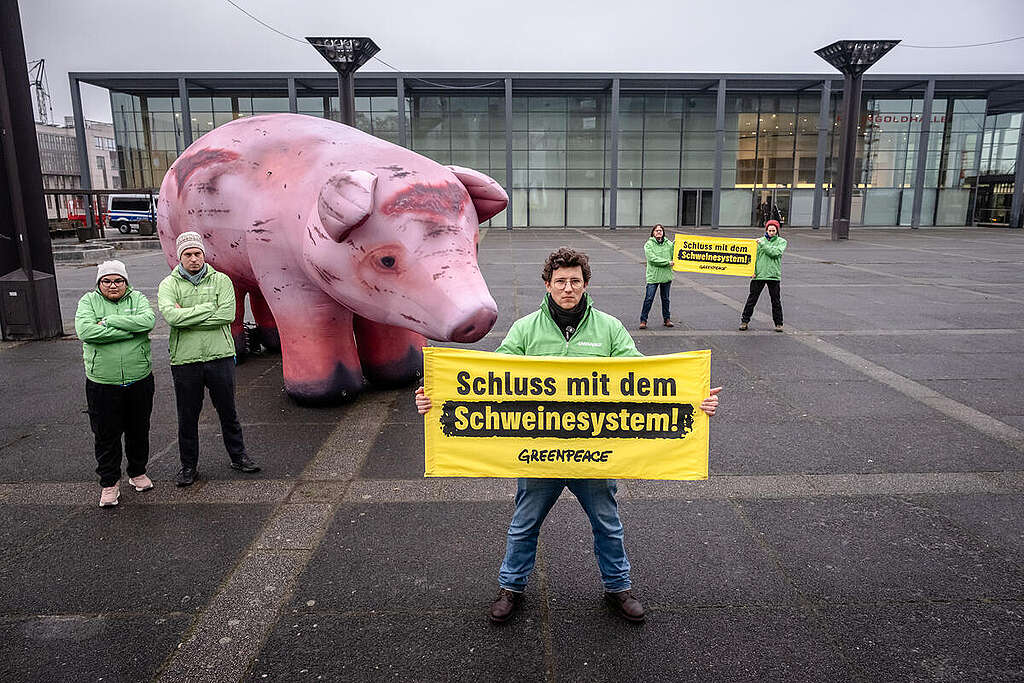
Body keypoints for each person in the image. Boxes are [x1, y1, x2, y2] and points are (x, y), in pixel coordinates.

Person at [415, 247, 721, 624]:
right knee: (523, 525)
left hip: (594, 454)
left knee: (608, 525)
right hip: (539, 454)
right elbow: (487, 380)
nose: (568, 288)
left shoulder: (609, 328)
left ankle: (618, 587)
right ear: (547, 284)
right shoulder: (526, 329)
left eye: (575, 281)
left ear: (586, 284)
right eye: (560, 281)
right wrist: (437, 399)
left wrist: (693, 400)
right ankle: (510, 587)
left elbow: (648, 382)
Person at [158, 231, 260, 487]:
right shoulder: (169, 285)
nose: (193, 259)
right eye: (188, 254)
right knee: (187, 417)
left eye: (197, 253)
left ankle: (239, 456)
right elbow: (172, 317)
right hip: (185, 360)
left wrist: (188, 316)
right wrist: (207, 309)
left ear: (203, 254)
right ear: (180, 257)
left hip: (220, 356)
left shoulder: (221, 280)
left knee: (228, 412)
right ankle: (188, 466)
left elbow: (227, 315)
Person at [74, 260, 156, 507]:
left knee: (138, 430)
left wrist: (109, 321)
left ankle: (137, 472)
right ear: (99, 283)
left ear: (126, 282)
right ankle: (109, 483)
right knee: (106, 434)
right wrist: (130, 330)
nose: (113, 285)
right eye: (107, 281)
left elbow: (148, 322)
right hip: (102, 382)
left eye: (118, 280)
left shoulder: (138, 298)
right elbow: (86, 332)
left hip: (139, 378)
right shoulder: (88, 301)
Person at [739, 219, 787, 332]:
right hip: (759, 275)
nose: (771, 232)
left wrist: (763, 244)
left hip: (773, 275)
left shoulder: (781, 242)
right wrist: (752, 271)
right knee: (752, 300)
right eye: (769, 230)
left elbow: (775, 253)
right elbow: (753, 257)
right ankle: (744, 321)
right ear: (766, 230)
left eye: (773, 230)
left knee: (776, 301)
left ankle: (779, 323)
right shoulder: (759, 241)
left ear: (777, 231)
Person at [639, 223, 675, 329]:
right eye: (656, 230)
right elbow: (652, 259)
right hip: (653, 276)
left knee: (665, 299)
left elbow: (675, 255)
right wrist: (667, 262)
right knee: (649, 298)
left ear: (663, 232)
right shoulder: (648, 245)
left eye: (660, 230)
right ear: (653, 233)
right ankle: (643, 320)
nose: (659, 232)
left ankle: (667, 319)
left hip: (666, 276)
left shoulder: (669, 244)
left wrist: (677, 246)